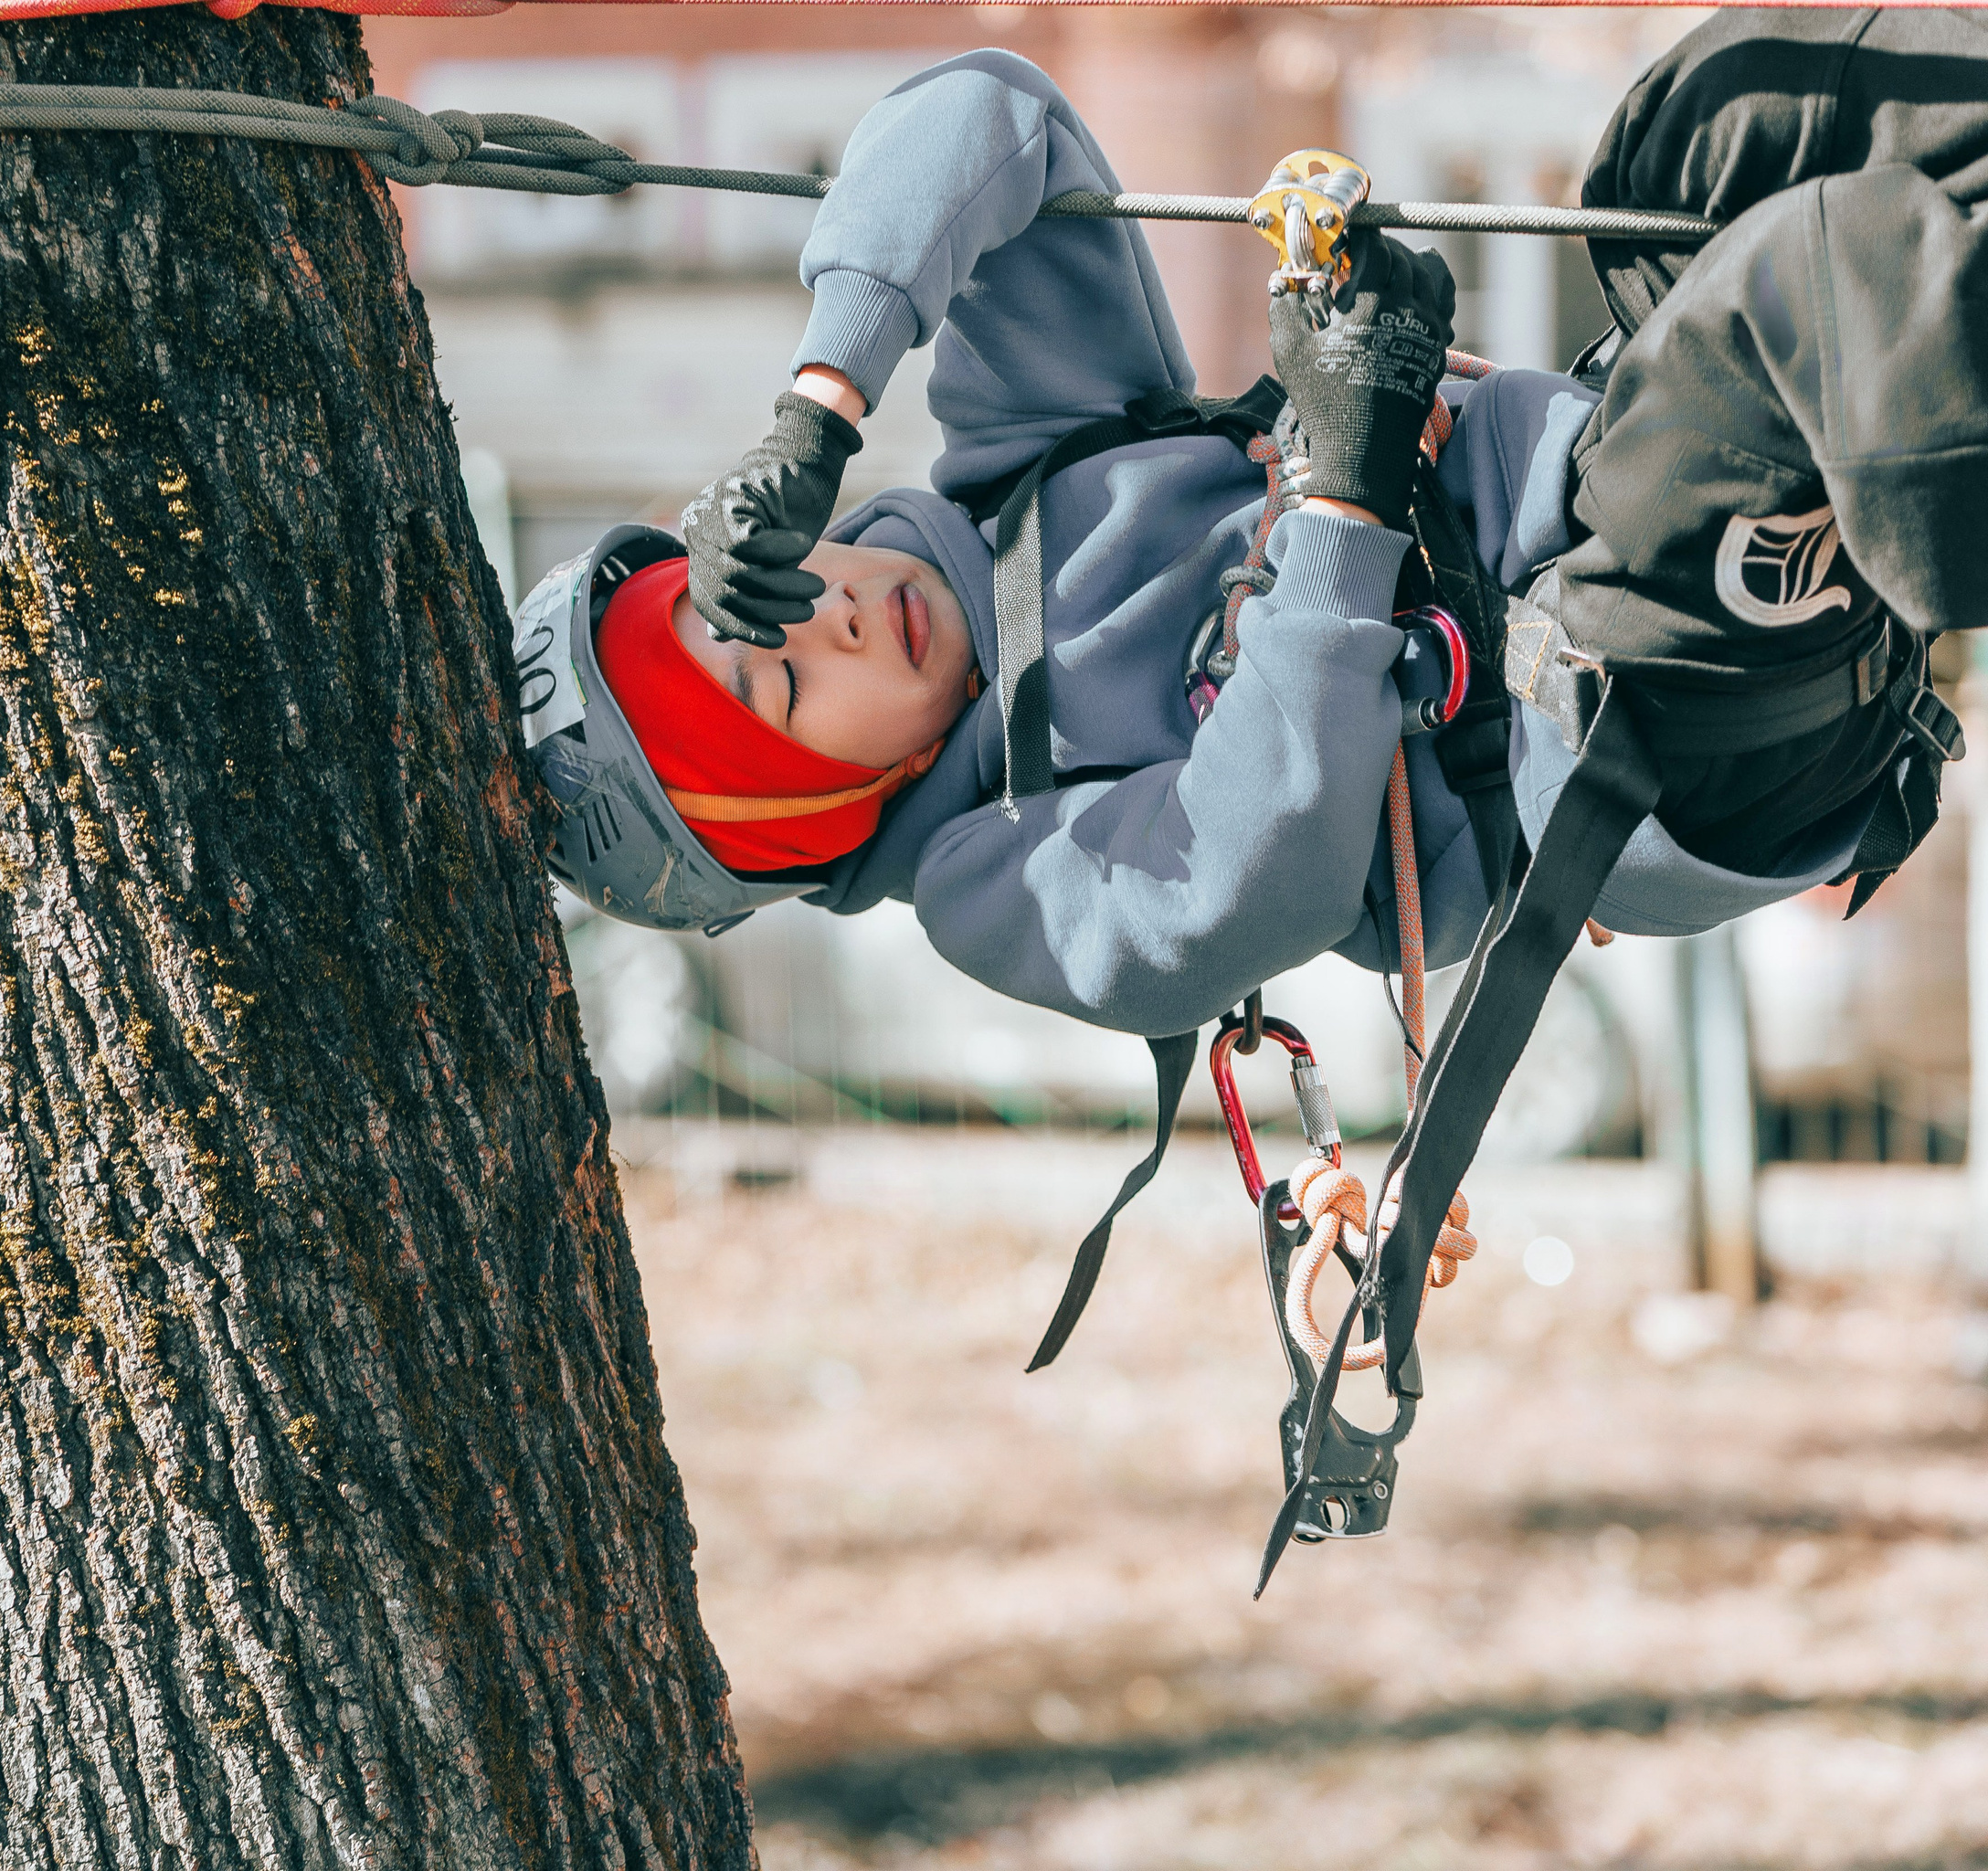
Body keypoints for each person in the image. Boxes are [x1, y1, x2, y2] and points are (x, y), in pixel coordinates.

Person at [511, 16, 1983, 1364]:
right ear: (813, 820)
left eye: (774, 586)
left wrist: (819, 405)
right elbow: (1239, 885)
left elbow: (988, 112)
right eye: (780, 694)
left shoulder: (1033, 452)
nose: (828, 617)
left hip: (1614, 482)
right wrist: (1340, 494)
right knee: (1826, 282)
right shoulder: (996, 868)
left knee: (1728, 117)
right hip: (1635, 719)